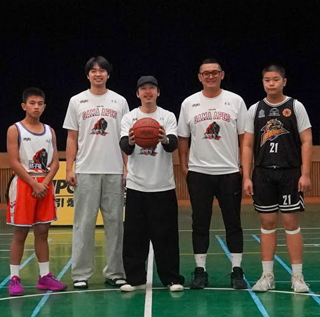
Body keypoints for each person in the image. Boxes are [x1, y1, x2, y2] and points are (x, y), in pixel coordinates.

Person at [177, 59, 249, 290]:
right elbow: (183, 138)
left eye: (214, 72)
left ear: (222, 74)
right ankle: (200, 271)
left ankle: (237, 270)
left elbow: (244, 138)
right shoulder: (189, 103)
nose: (210, 76)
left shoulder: (235, 101)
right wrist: (185, 166)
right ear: (199, 77)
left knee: (233, 223)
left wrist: (243, 167)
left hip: (229, 172)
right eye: (206, 73)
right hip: (199, 172)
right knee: (200, 223)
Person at [241, 65, 312, 293]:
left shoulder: (295, 106)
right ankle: (267, 275)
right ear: (263, 82)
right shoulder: (255, 109)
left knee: (291, 222)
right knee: (267, 223)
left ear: (284, 81)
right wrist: (246, 176)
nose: (271, 83)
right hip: (263, 172)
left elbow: (306, 141)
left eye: (275, 79)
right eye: (267, 80)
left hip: (289, 172)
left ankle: (297, 276)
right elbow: (248, 144)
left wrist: (305, 173)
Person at [63, 56, 130, 289]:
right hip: (86, 170)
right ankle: (80, 274)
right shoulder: (76, 101)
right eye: (93, 70)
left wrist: (127, 167)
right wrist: (69, 167)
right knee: (83, 224)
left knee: (115, 224)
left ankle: (115, 272)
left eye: (102, 70)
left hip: (114, 170)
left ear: (108, 74)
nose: (98, 73)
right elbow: (71, 137)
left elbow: (125, 138)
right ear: (88, 75)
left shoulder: (120, 101)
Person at [118, 76, 185, 293]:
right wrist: (131, 140)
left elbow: (173, 145)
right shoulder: (129, 117)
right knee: (134, 236)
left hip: (163, 186)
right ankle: (135, 278)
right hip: (137, 186)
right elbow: (125, 147)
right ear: (137, 93)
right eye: (143, 89)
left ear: (158, 92)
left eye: (152, 88)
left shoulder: (167, 116)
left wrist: (164, 139)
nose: (148, 92)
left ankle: (172, 278)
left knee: (167, 236)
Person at [6, 88, 67, 296]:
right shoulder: (15, 129)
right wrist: (34, 183)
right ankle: (14, 278)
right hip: (25, 184)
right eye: (32, 103)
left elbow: (55, 161)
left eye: (40, 103)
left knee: (42, 232)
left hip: (44, 184)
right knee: (20, 233)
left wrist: (45, 183)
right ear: (24, 106)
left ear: (44, 106)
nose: (36, 107)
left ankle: (44, 276)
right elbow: (14, 162)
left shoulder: (50, 131)